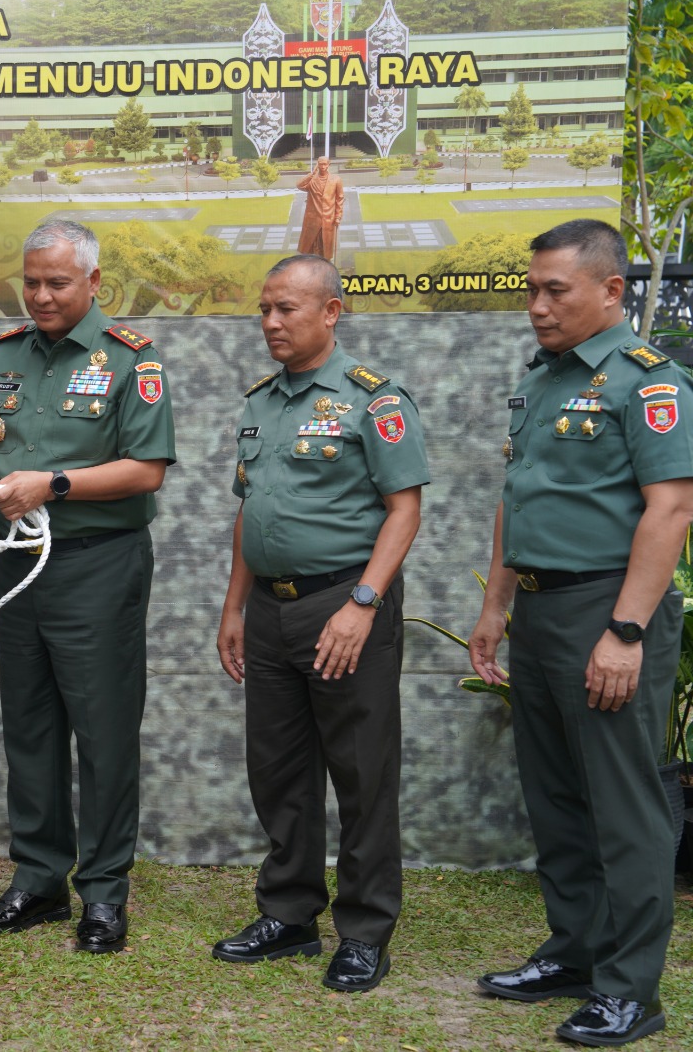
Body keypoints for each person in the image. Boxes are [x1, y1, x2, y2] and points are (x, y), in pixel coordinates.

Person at [468, 219, 693, 1047]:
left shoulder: (648, 382)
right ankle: (574, 950)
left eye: (554, 289)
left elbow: (671, 508)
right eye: (532, 289)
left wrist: (626, 631)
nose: (537, 306)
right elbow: (515, 498)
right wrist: (496, 607)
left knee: (625, 805)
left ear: (611, 292)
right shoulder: (544, 380)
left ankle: (632, 990)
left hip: (608, 610)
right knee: (556, 795)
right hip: (541, 608)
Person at [0, 219, 174, 954]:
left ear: (94, 283)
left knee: (103, 734)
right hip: (19, 564)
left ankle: (103, 893)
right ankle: (38, 878)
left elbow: (147, 469)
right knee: (31, 726)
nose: (40, 295)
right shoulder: (3, 355)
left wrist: (56, 485)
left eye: (57, 283)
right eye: (32, 281)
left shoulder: (130, 360)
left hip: (97, 564)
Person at [212, 254, 428, 993]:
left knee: (362, 774)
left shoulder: (375, 400)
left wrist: (362, 605)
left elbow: (405, 509)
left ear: (331, 312)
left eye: (288, 310)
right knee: (277, 770)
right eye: (265, 309)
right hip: (269, 610)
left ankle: (365, 932)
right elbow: (251, 512)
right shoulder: (260, 403)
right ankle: (290, 913)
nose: (271, 323)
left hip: (344, 607)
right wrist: (235, 606)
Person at [295, 157, 344, 261]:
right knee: (310, 246)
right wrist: (312, 174)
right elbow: (299, 185)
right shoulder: (312, 181)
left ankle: (324, 264)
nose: (323, 167)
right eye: (320, 164)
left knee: (325, 245)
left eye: (325, 164)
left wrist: (338, 216)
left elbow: (339, 199)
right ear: (317, 165)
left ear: (329, 164)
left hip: (328, 218)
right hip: (312, 219)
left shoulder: (336, 180)